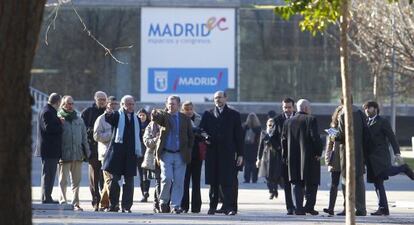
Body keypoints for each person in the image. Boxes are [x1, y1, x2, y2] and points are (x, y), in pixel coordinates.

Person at [363, 101, 414, 216]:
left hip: (380, 156)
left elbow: (392, 137)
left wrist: (397, 153)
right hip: (370, 158)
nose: (366, 110)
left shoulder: (382, 121)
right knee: (377, 183)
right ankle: (383, 208)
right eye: (365, 108)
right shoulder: (366, 122)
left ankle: (404, 168)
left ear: (375, 109)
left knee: (385, 173)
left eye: (368, 108)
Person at [199, 91, 243, 216]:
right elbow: (201, 130)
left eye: (220, 97)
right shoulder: (208, 114)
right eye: (215, 98)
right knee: (213, 181)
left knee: (228, 181)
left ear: (225, 98)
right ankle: (212, 206)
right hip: (212, 152)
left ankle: (230, 207)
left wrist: (240, 154)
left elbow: (239, 136)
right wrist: (205, 137)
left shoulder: (234, 114)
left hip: (228, 153)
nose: (217, 100)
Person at [151, 95, 194, 214]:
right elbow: (156, 118)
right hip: (166, 154)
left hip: (181, 154)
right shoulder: (164, 117)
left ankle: (175, 205)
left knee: (179, 181)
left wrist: (188, 150)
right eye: (169, 104)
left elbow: (191, 136)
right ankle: (163, 202)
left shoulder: (185, 118)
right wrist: (154, 114)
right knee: (167, 178)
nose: (170, 106)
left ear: (178, 105)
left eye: (173, 104)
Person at [281, 99, 322, 216]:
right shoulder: (311, 119)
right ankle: (309, 207)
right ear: (306, 108)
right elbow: (315, 138)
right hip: (309, 158)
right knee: (312, 183)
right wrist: (319, 152)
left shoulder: (288, 122)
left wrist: (285, 157)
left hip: (293, 158)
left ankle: (298, 208)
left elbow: (283, 141)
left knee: (296, 183)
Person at [103, 95, 143, 213]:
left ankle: (126, 206)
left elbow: (138, 136)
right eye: (128, 104)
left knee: (129, 182)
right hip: (117, 154)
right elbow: (109, 118)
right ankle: (114, 205)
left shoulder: (136, 118)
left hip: (131, 155)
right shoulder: (117, 115)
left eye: (132, 104)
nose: (130, 106)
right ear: (123, 105)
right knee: (114, 181)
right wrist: (108, 113)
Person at [334, 97, 369, 216]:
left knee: (345, 180)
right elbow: (366, 133)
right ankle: (361, 208)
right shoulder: (360, 113)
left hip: (346, 152)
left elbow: (341, 135)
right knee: (359, 180)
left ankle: (347, 208)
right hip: (359, 152)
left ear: (342, 102)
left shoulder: (343, 114)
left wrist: (332, 133)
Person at [58, 95, 90, 211]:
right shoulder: (59, 118)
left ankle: (75, 203)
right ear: (63, 104)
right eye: (68, 103)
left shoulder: (79, 119)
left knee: (76, 181)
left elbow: (84, 137)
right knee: (63, 180)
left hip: (78, 154)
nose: (70, 105)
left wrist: (87, 152)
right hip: (64, 154)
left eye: (72, 103)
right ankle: (63, 201)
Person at [81, 91, 107, 211]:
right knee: (94, 177)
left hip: (106, 149)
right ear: (95, 99)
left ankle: (105, 202)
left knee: (106, 177)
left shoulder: (109, 113)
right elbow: (82, 129)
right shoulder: (88, 112)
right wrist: (94, 131)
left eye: (104, 99)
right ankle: (95, 201)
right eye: (100, 99)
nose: (102, 101)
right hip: (93, 149)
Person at [36, 93, 62, 204]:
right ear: (58, 102)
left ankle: (47, 197)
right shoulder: (48, 112)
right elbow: (49, 128)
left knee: (49, 174)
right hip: (49, 150)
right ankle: (46, 198)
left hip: (49, 149)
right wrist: (61, 125)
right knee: (49, 175)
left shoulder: (47, 110)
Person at [93, 96, 118, 211]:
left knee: (109, 180)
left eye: (115, 104)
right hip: (105, 153)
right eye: (111, 103)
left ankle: (104, 204)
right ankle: (114, 203)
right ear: (107, 104)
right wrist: (111, 136)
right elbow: (96, 136)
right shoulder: (101, 119)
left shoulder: (119, 117)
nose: (113, 106)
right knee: (109, 179)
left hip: (116, 153)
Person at [273, 97, 296, 215]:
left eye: (289, 107)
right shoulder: (277, 120)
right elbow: (272, 137)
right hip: (284, 158)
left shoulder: (299, 118)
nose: (287, 110)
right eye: (285, 107)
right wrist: (279, 148)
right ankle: (290, 207)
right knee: (287, 183)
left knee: (298, 182)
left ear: (294, 107)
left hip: (297, 157)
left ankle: (298, 205)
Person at [180, 101, 203, 213]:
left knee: (196, 181)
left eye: (190, 109)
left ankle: (196, 207)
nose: (188, 111)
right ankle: (184, 206)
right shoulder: (180, 119)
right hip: (184, 154)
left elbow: (203, 135)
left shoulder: (199, 119)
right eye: (186, 109)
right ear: (183, 110)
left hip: (197, 154)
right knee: (184, 181)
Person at [323, 105, 343, 216]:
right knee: (333, 184)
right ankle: (331, 207)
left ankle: (346, 207)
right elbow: (329, 145)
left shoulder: (349, 128)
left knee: (346, 184)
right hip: (335, 159)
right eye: (339, 114)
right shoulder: (333, 128)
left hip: (346, 159)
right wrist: (327, 160)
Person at [256, 118, 283, 200]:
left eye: (272, 124)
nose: (270, 126)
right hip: (266, 156)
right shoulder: (263, 133)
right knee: (267, 176)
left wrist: (271, 136)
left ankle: (275, 189)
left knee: (275, 175)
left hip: (276, 156)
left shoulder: (277, 133)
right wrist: (258, 158)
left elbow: (279, 145)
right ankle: (271, 191)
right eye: (269, 124)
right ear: (267, 125)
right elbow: (260, 146)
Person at [143, 120, 161, 213]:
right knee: (159, 181)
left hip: (168, 156)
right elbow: (147, 142)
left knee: (167, 181)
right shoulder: (151, 126)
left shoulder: (169, 123)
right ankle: (158, 204)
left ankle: (161, 203)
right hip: (155, 157)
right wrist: (156, 138)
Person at [136, 108, 151, 202]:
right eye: (140, 115)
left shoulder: (150, 125)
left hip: (147, 152)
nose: (141, 117)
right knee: (141, 174)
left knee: (147, 174)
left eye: (143, 115)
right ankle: (144, 193)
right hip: (138, 153)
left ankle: (146, 191)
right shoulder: (135, 125)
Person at [242, 113, 261, 183]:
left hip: (246, 147)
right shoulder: (258, 128)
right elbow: (259, 139)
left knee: (247, 164)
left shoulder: (244, 127)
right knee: (254, 164)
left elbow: (241, 137)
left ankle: (247, 179)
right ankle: (254, 178)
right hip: (255, 147)